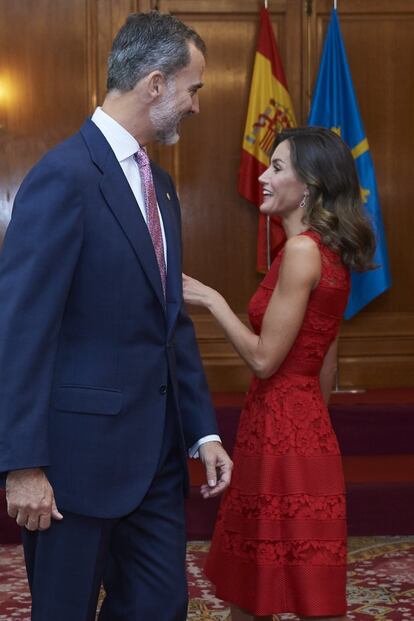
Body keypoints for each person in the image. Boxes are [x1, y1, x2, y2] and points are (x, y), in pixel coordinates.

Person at [0, 11, 232, 621]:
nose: (196, 106)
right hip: (74, 466)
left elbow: (169, 319)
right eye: (193, 89)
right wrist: (22, 465)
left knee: (160, 608)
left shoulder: (161, 183)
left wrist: (202, 429)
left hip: (156, 458)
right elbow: (20, 330)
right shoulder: (63, 177)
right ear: (155, 83)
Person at [183, 126, 376, 621]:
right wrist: (310, 426)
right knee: (279, 578)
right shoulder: (329, 252)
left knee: (261, 579)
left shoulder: (303, 251)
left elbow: (266, 359)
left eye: (277, 167)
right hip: (301, 423)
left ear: (308, 185)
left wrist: (212, 300)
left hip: (280, 426)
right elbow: (327, 360)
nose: (263, 177)